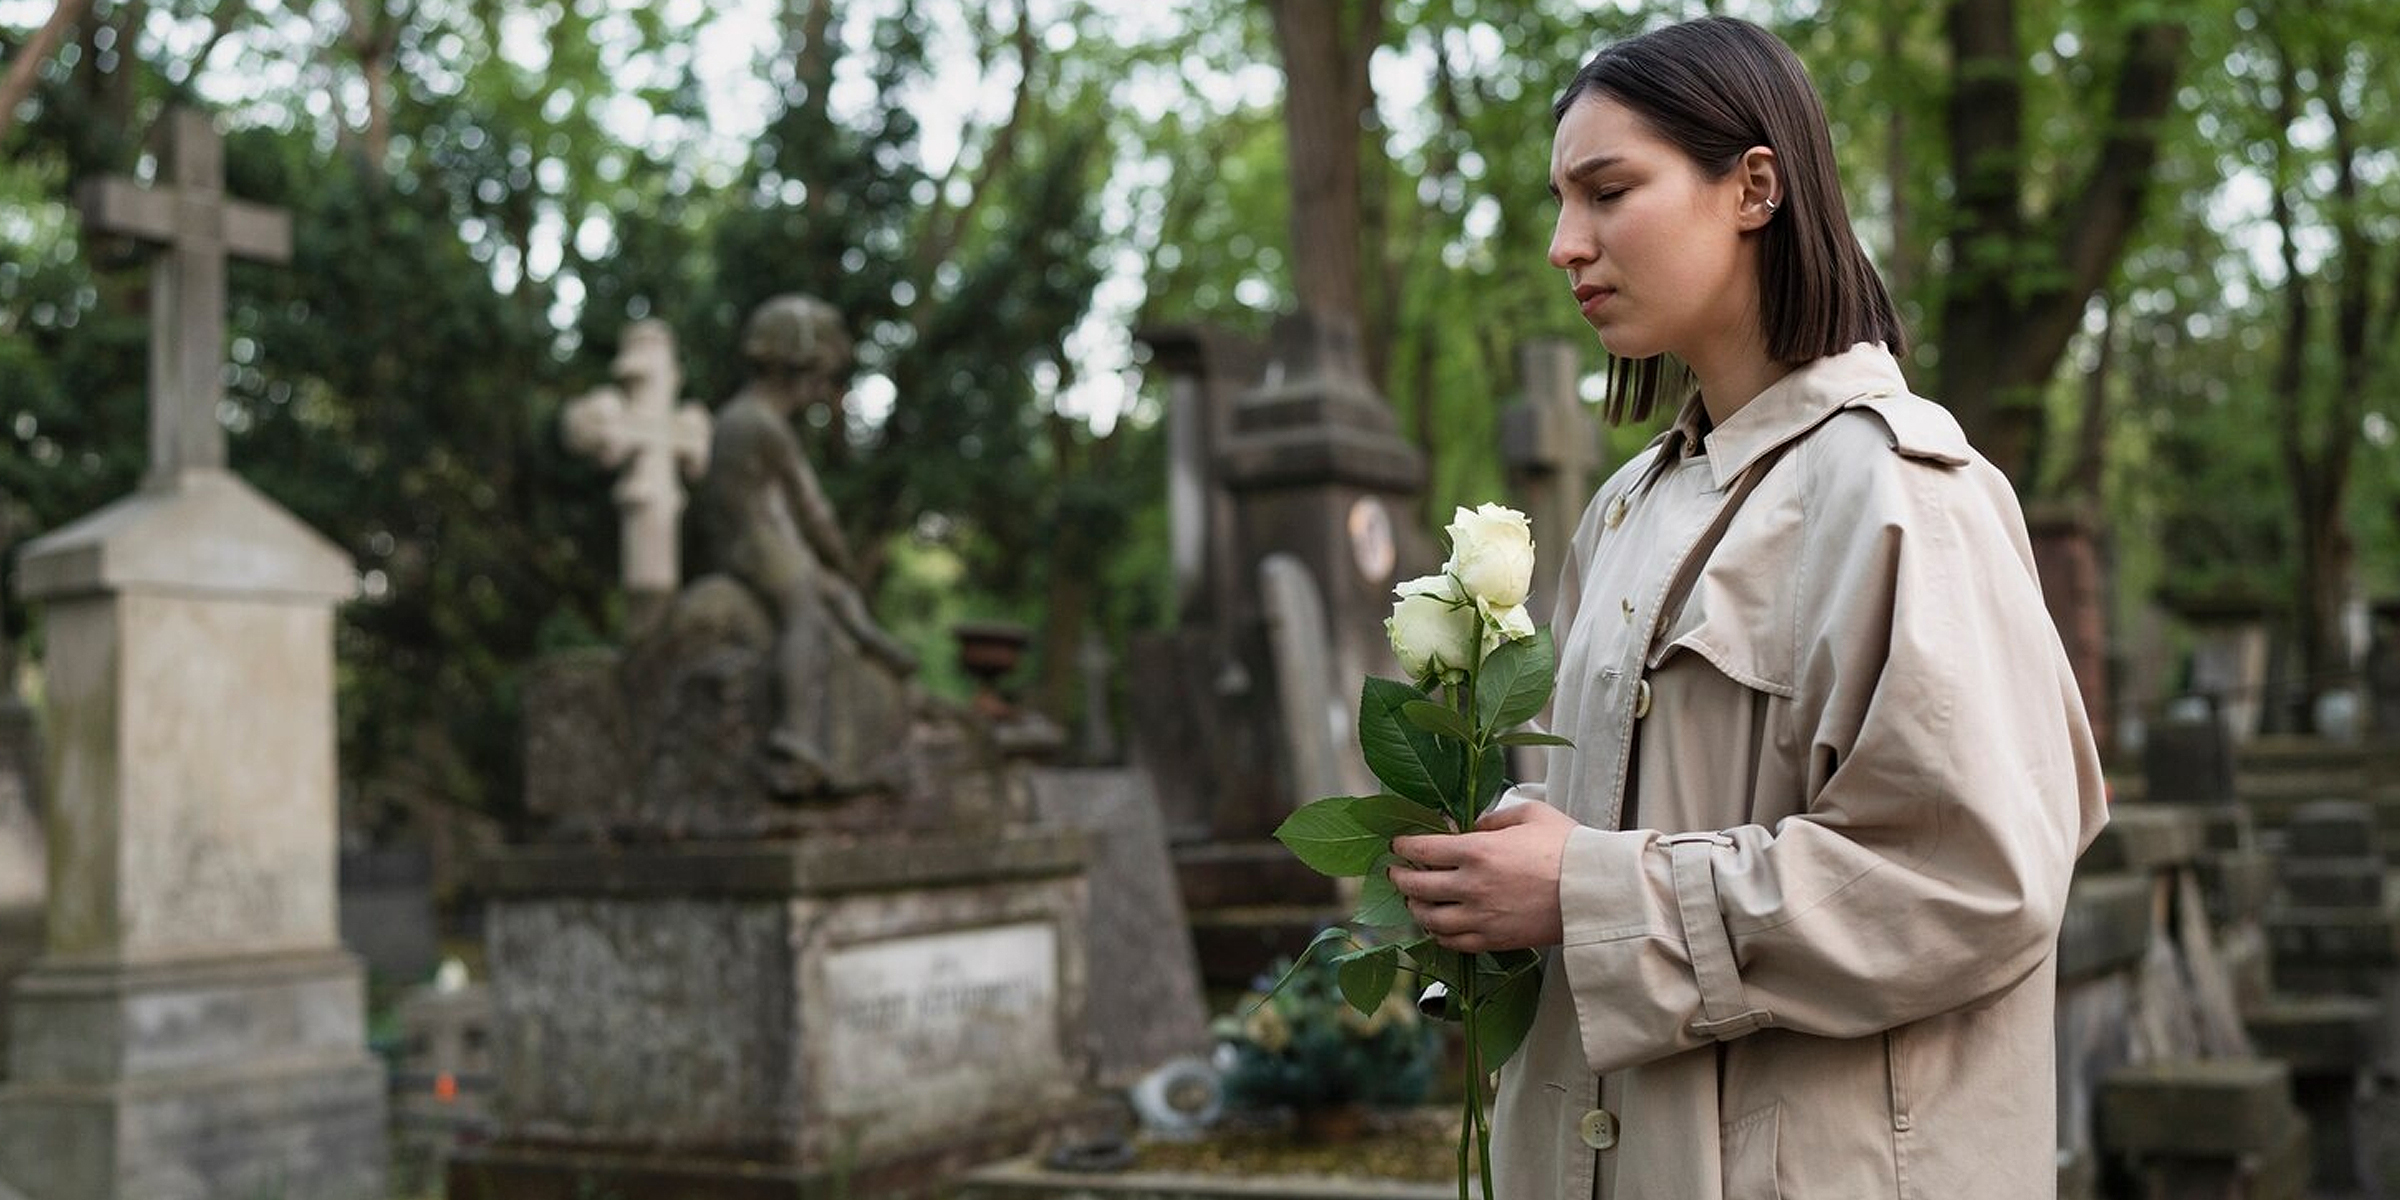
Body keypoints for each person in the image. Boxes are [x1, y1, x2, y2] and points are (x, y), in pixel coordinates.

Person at [1384, 17, 2107, 1199]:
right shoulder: (1625, 508)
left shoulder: (1901, 491)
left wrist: (1593, 890)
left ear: (1754, 187)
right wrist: (1506, 872)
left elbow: (1975, 880)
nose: (1567, 245)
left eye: (1608, 191)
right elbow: (1632, 822)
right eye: (1561, 203)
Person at [699, 293, 915, 792]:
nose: (823, 389)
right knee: (806, 613)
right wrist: (838, 555)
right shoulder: (760, 423)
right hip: (757, 544)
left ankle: (868, 637)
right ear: (800, 366)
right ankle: (797, 736)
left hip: (759, 539)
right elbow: (811, 507)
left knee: (836, 595)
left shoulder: (741, 418)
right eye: (821, 376)